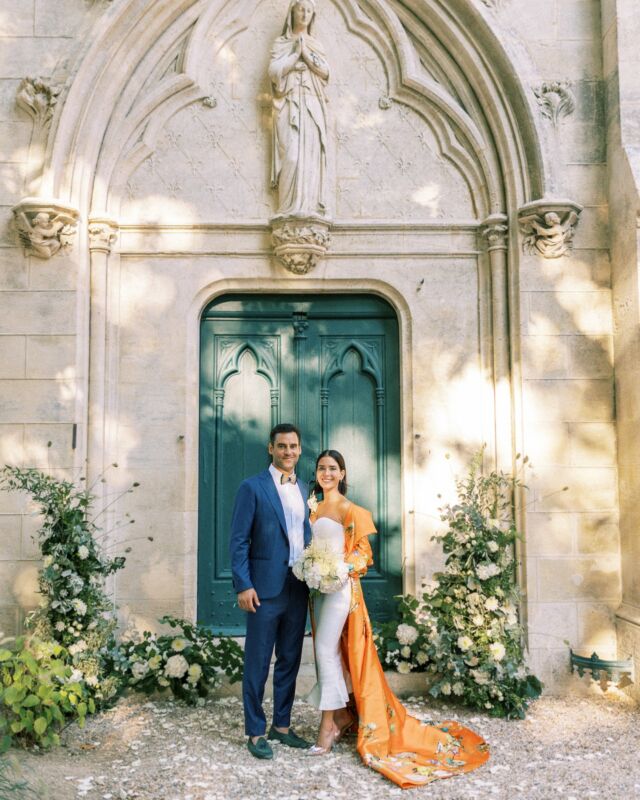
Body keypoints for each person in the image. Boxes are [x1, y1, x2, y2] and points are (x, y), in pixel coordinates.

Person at [305, 449, 490, 787]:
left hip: (341, 591)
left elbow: (363, 555)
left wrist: (341, 569)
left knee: (325, 653)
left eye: (332, 468)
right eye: (321, 468)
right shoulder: (313, 507)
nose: (326, 473)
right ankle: (344, 713)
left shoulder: (350, 510)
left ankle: (328, 725)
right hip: (318, 591)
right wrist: (311, 568)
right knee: (327, 653)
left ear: (343, 474)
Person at [229, 423, 312, 759]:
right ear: (270, 448)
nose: (288, 452)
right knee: (258, 661)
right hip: (263, 588)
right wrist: (243, 584)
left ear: (299, 450)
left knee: (290, 659)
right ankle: (254, 732)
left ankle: (282, 726)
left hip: (298, 586)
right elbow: (238, 540)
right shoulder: (252, 487)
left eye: (293, 446)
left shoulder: (305, 488)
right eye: (282, 446)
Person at [269, 0, 329, 218]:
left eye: (309, 11)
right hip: (288, 103)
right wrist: (295, 54)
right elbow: (274, 72)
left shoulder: (315, 45)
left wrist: (306, 53)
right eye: (301, 9)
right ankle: (288, 209)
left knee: (310, 157)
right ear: (292, 13)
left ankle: (309, 206)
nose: (305, 14)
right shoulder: (281, 44)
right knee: (292, 156)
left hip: (312, 105)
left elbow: (325, 72)